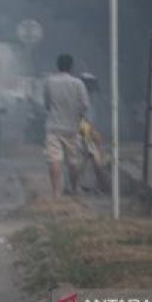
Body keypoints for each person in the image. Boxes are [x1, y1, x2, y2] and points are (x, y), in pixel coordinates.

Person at [44, 53, 90, 198]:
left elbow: (47, 103)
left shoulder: (49, 82)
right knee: (73, 161)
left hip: (53, 127)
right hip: (72, 128)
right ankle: (75, 189)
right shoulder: (78, 83)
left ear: (57, 66)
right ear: (71, 67)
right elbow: (85, 105)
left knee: (54, 159)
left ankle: (56, 193)